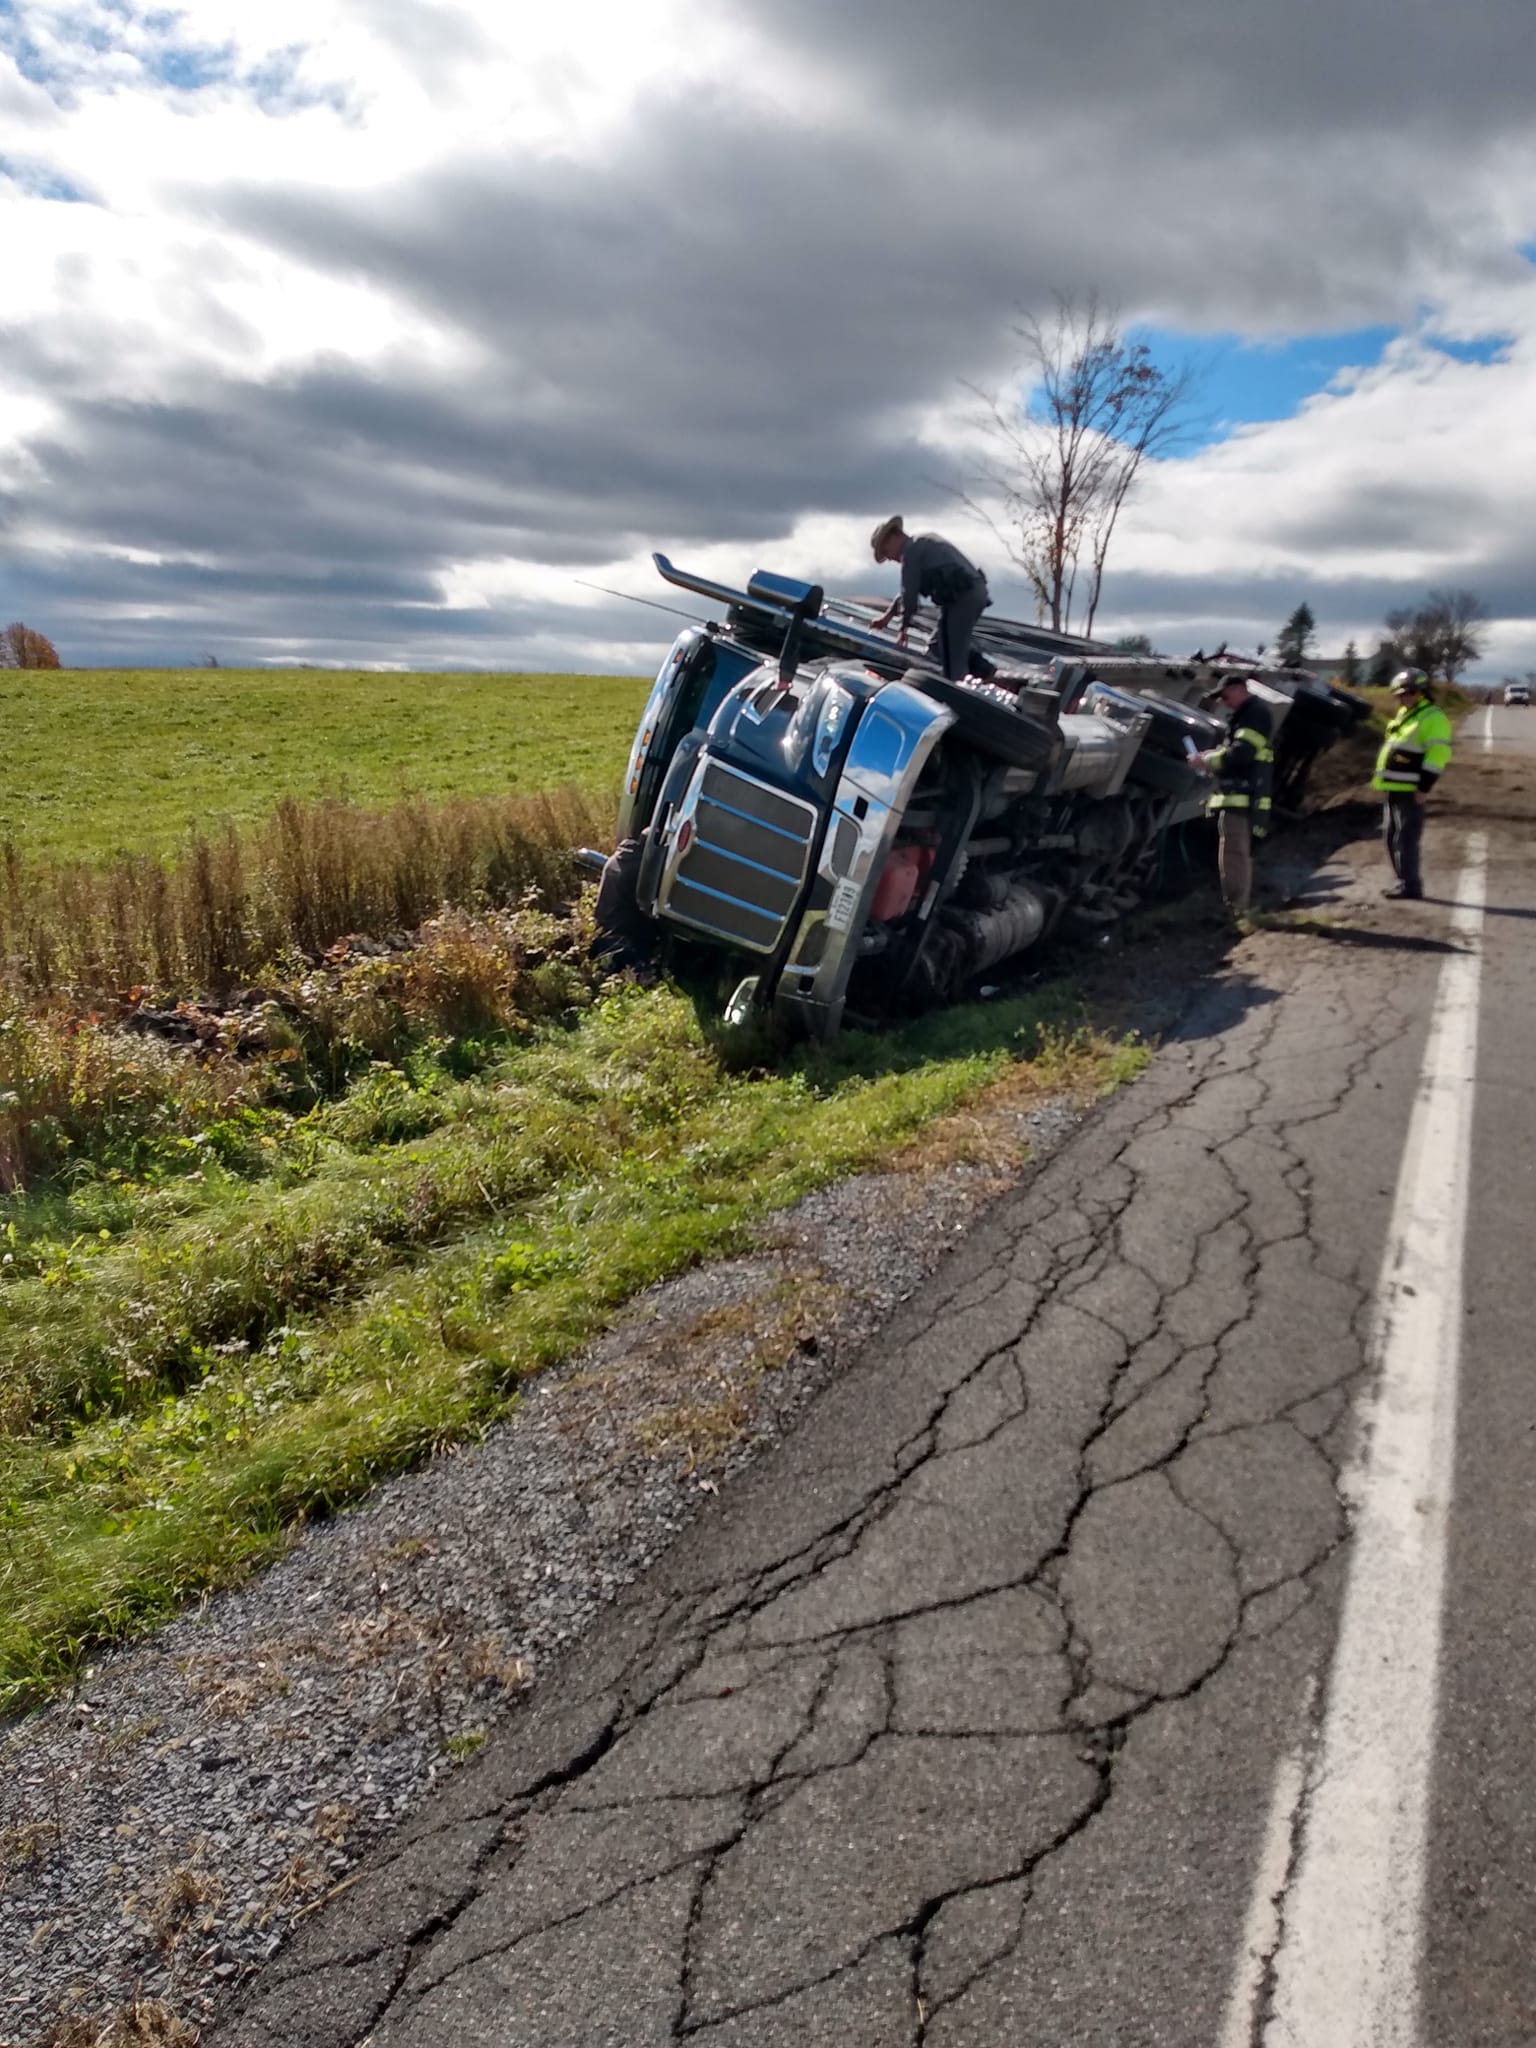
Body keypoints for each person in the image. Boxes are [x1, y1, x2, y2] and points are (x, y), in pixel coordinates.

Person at [868, 516, 995, 681]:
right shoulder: (922, 542)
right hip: (973, 592)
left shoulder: (911, 552)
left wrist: (903, 629)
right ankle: (986, 671)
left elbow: (909, 597)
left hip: (961, 598)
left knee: (952, 659)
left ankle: (956, 692)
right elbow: (908, 591)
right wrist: (887, 617)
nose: (890, 559)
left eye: (886, 551)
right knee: (938, 645)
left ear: (894, 537)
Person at [1194, 675, 1274, 915]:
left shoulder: (1254, 715)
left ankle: (1237, 908)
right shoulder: (1249, 714)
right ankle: (1237, 904)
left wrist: (1205, 760)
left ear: (1238, 690)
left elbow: (1241, 755)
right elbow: (1236, 751)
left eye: (1225, 696)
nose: (1224, 702)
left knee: (1234, 853)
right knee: (1233, 851)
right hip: (1240, 795)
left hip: (1242, 796)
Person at [1372, 668, 1452, 900]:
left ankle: (1411, 886)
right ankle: (1403, 881)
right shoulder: (1406, 714)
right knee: (1391, 837)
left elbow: (1437, 756)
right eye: (1400, 694)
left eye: (1409, 693)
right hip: (1394, 788)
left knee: (1405, 840)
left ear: (1422, 692)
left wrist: (1424, 788)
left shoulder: (1432, 717)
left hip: (1411, 791)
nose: (1403, 697)